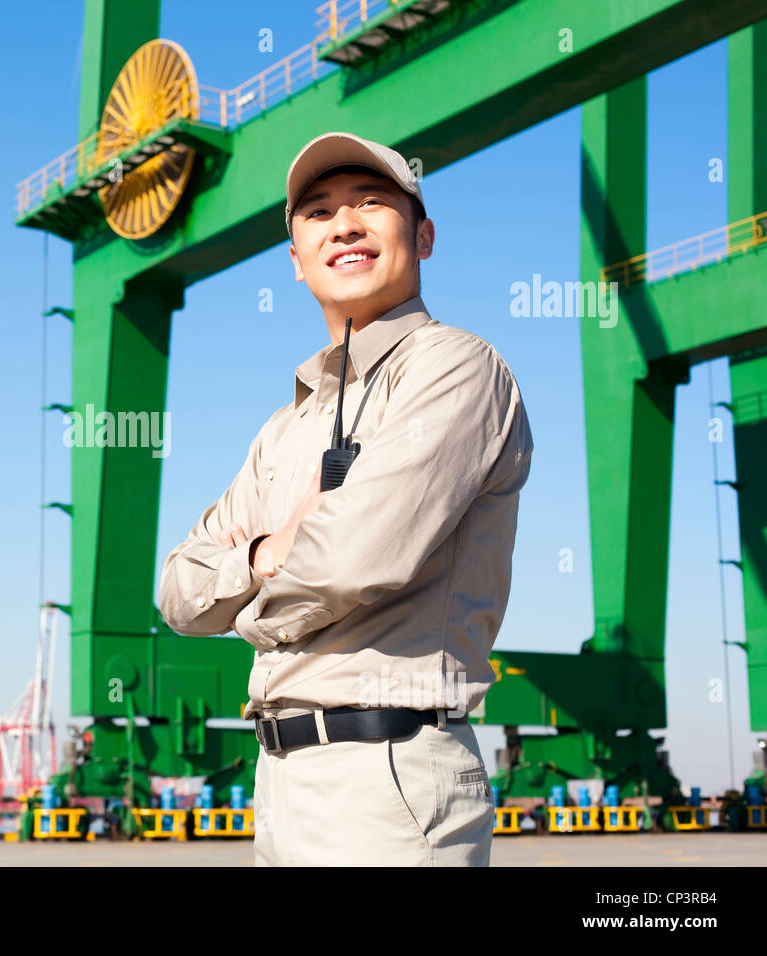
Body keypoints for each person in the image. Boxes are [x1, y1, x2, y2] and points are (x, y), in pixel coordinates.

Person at [156, 131, 533, 866]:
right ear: (296, 262)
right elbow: (176, 592)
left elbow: (355, 560)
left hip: (387, 778)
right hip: (280, 783)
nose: (346, 224)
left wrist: (244, 598)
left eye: (370, 202)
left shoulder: (456, 369)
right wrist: (270, 553)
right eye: (320, 211)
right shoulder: (284, 429)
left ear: (422, 236)